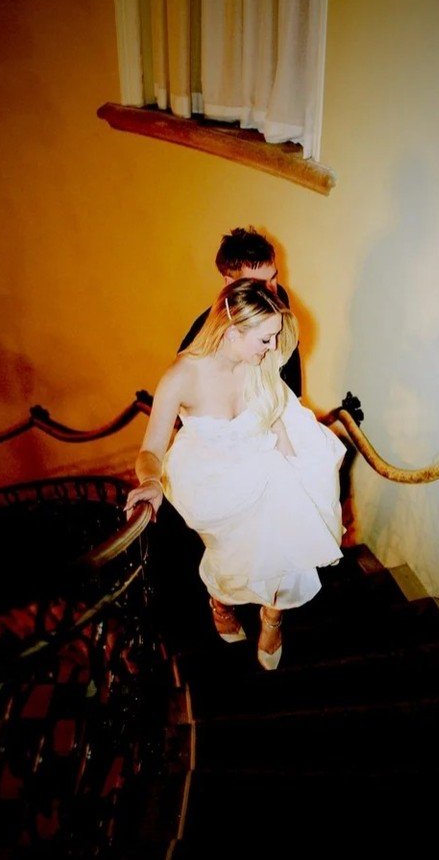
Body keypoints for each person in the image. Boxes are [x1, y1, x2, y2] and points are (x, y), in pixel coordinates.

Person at [124, 279, 345, 671]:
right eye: (265, 339)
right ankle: (221, 603)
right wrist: (151, 481)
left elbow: (275, 413)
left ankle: (272, 619)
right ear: (231, 333)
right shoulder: (182, 376)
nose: (273, 348)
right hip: (213, 484)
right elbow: (151, 449)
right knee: (233, 564)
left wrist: (296, 469)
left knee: (288, 548)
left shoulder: (260, 363)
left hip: (264, 463)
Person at [178, 226, 302, 398]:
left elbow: (289, 350)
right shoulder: (203, 334)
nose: (271, 290)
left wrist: (296, 400)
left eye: (273, 277)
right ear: (230, 283)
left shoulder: (278, 295)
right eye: (259, 285)